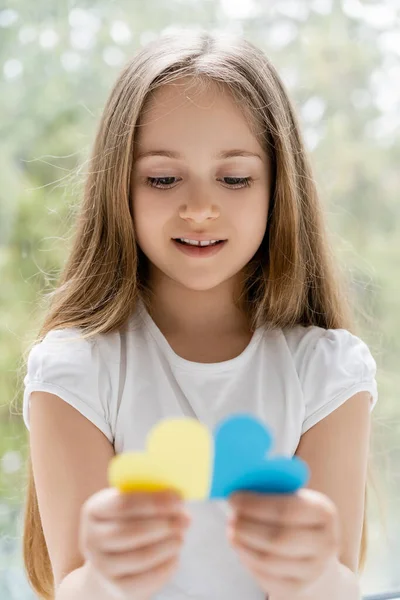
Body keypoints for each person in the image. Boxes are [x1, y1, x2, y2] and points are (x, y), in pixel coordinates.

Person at [21, 30, 378, 600]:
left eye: (235, 179)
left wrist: (311, 573)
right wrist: (109, 573)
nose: (200, 208)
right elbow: (75, 585)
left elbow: (338, 584)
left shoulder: (328, 370)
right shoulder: (74, 368)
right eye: (163, 178)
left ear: (277, 189)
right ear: (120, 189)